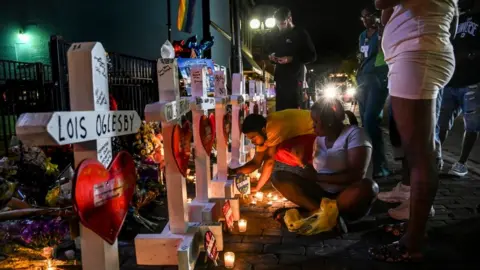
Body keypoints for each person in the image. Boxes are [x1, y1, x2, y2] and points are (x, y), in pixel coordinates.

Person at [370, 0, 458, 262]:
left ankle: (414, 241)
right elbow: (386, 13)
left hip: (417, 53)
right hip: (415, 52)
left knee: (421, 155)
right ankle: (415, 229)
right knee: (416, 150)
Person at [271, 99, 378, 234]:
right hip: (322, 194)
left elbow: (355, 176)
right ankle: (322, 213)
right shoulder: (319, 139)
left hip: (346, 197)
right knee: (278, 177)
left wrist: (317, 177)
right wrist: (302, 161)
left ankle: (318, 214)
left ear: (329, 122)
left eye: (316, 122)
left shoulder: (355, 134)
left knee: (368, 187)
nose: (313, 125)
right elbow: (315, 172)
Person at [437, 2, 480, 177]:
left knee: (472, 125)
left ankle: (461, 163)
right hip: (451, 80)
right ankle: (436, 158)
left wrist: (471, 55)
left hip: (473, 80)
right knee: (440, 122)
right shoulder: (459, 17)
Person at [228, 109, 317, 193]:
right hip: (311, 132)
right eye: (250, 139)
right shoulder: (265, 129)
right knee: (275, 150)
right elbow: (256, 162)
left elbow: (269, 162)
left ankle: (310, 169)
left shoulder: (272, 129)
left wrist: (257, 187)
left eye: (253, 138)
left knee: (280, 150)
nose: (252, 142)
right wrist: (235, 172)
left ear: (262, 130)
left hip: (318, 134)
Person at [356, 6, 390, 177]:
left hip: (378, 80)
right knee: (365, 124)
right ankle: (374, 164)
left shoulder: (384, 32)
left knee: (371, 120)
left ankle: (381, 165)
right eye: (362, 18)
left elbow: (386, 54)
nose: (365, 20)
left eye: (368, 16)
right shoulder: (362, 36)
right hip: (362, 80)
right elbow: (362, 56)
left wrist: (382, 28)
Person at [268, 7, 317, 111]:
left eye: (282, 24)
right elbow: (270, 51)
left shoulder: (300, 33)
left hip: (295, 79)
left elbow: (312, 56)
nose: (280, 27)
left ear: (290, 19)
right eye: (278, 24)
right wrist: (272, 57)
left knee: (293, 110)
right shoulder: (277, 36)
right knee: (281, 111)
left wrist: (292, 59)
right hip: (280, 80)